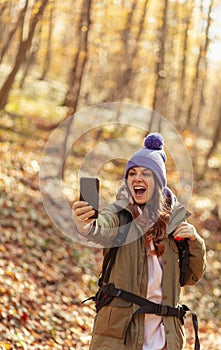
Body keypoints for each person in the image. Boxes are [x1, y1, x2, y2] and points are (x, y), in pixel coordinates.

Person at [72, 133, 206, 350]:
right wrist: (85, 225)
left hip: (165, 337)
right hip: (120, 334)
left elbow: (191, 276)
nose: (137, 178)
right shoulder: (119, 213)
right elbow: (101, 228)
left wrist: (195, 242)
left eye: (146, 173)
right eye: (132, 173)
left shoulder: (174, 223)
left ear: (159, 182)